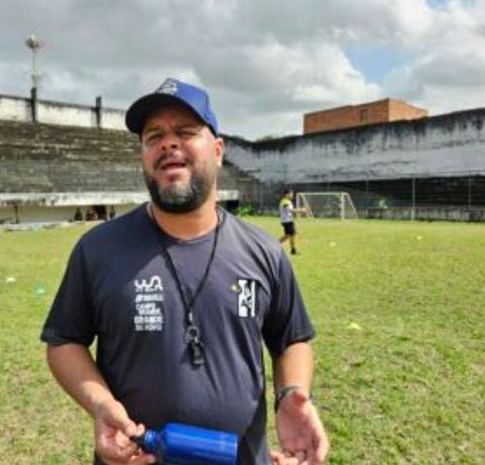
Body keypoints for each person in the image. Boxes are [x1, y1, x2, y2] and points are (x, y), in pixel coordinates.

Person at [41, 78, 328, 465]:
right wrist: (101, 404)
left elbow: (291, 339)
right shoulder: (99, 249)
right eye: (153, 135)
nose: (167, 143)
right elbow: (64, 341)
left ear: (218, 150)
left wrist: (292, 394)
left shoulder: (262, 252)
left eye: (185, 131)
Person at [278, 189, 306, 255]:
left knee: (288, 235)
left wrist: (295, 215)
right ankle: (293, 250)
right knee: (292, 234)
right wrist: (301, 210)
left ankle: (275, 243)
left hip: (288, 221)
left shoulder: (288, 201)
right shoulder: (284, 202)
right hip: (287, 221)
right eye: (291, 194)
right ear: (286, 194)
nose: (292, 195)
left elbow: (289, 211)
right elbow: (290, 210)